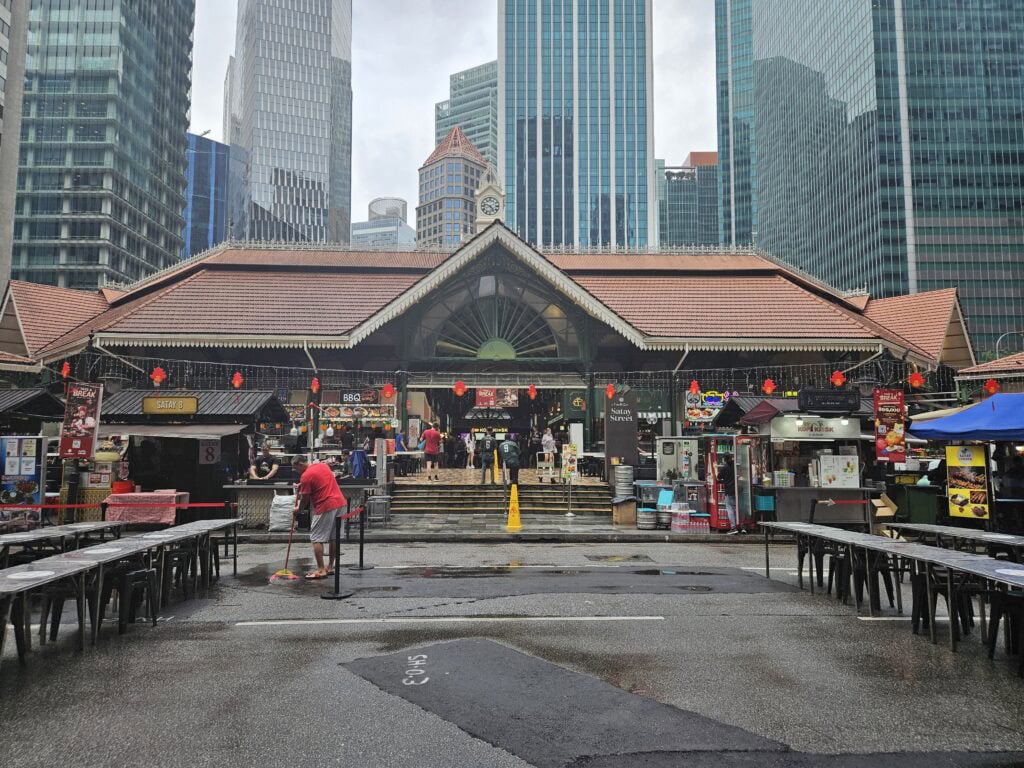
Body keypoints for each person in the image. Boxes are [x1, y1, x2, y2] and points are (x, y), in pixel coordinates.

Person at [291, 455, 346, 580]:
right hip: (340, 502)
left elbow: (304, 499)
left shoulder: (305, 476)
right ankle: (330, 567)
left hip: (325, 505)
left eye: (296, 468)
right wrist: (303, 484)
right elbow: (318, 479)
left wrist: (298, 510)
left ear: (300, 463)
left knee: (316, 538)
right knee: (333, 537)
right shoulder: (322, 465)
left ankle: (321, 570)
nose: (296, 471)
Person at [718, 454, 738, 534]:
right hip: (737, 490)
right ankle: (742, 525)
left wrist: (723, 480)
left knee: (729, 508)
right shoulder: (735, 466)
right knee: (736, 507)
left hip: (729, 490)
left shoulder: (724, 468)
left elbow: (718, 477)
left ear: (724, 459)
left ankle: (733, 527)